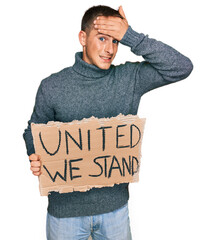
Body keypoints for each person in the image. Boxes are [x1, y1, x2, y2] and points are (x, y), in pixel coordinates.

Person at [23, 5, 193, 240]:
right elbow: (33, 130)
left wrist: (131, 36)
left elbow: (182, 67)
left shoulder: (129, 79)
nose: (109, 49)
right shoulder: (52, 86)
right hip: (65, 214)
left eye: (115, 41)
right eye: (102, 38)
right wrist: (35, 154)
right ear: (83, 38)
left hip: (115, 211)